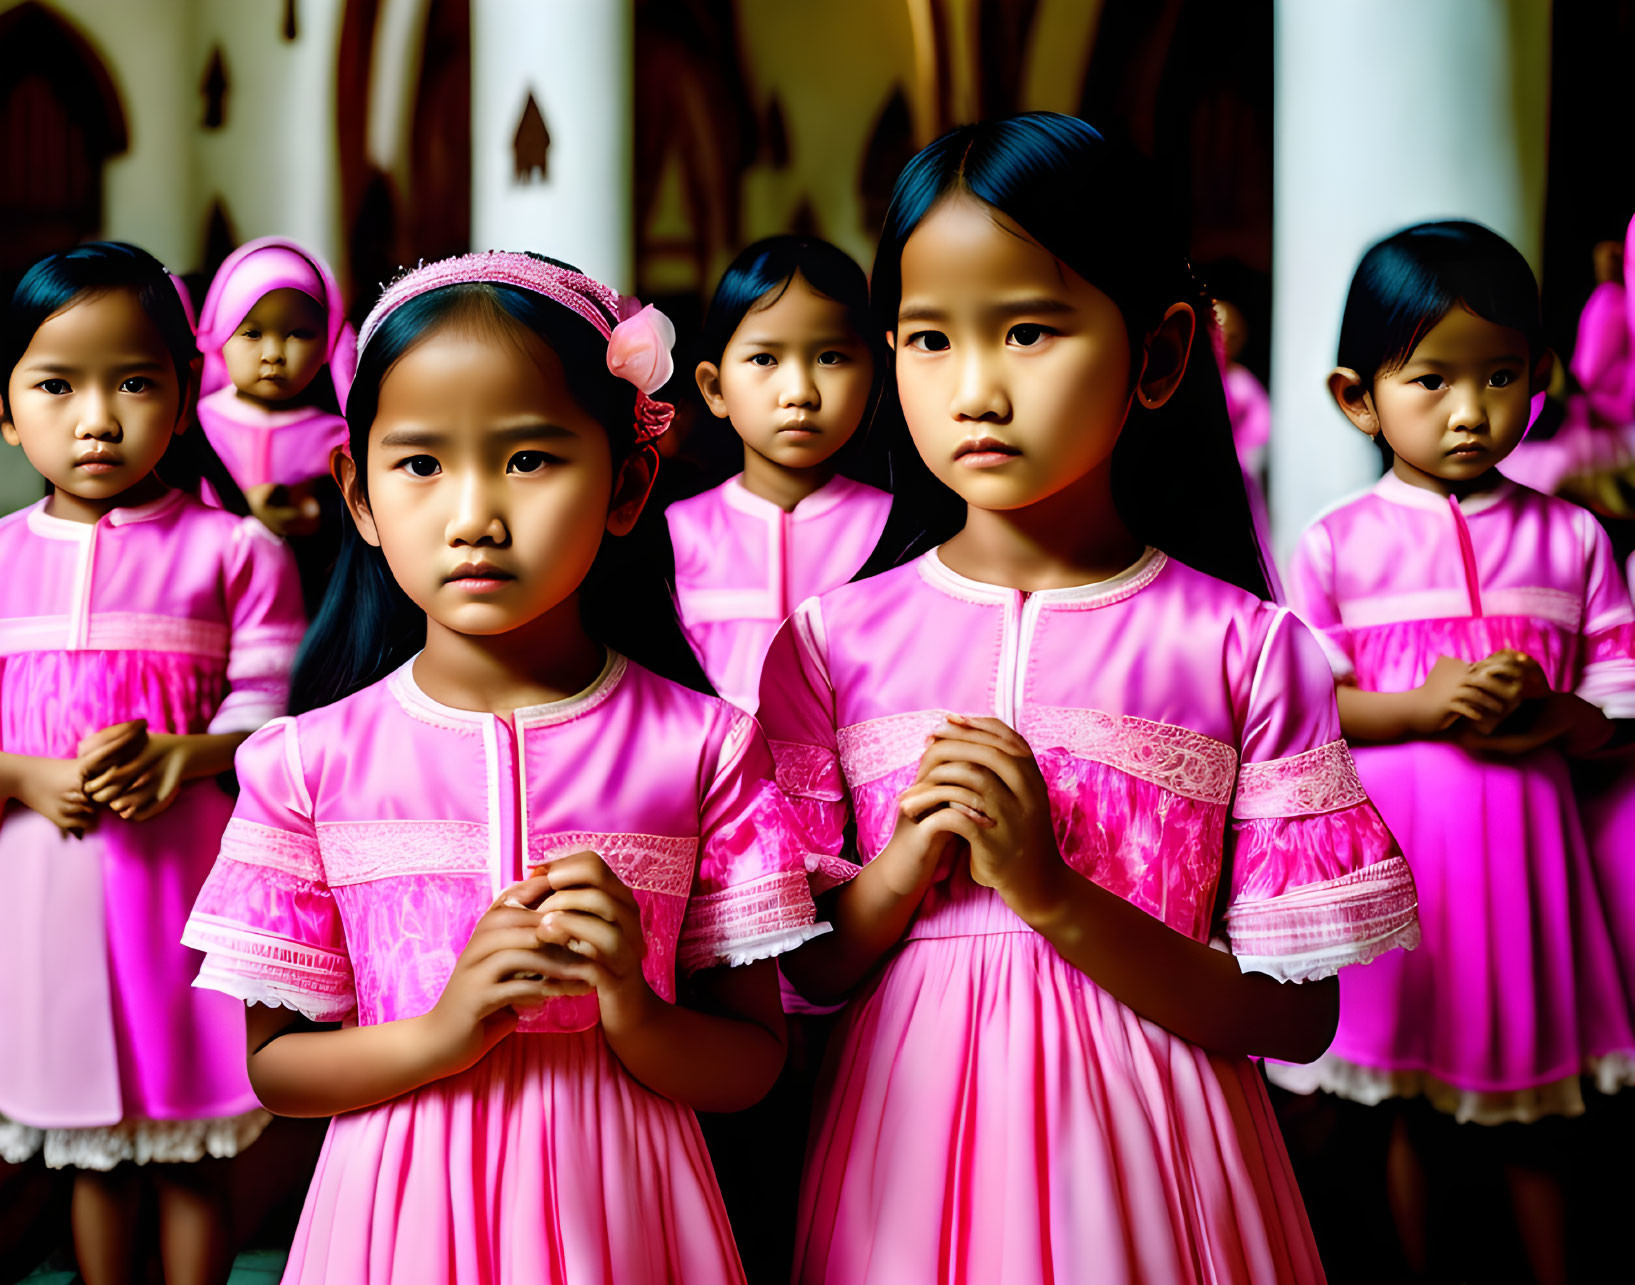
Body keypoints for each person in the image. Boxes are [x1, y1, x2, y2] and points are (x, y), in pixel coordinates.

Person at [759, 113, 1418, 1285]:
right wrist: (904, 873)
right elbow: (805, 972)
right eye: (926, 338)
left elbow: (1295, 1017)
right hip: (901, 1165)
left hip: (1161, 1165)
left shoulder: (1243, 649)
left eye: (1026, 330)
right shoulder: (829, 646)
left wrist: (1051, 891)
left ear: (1159, 356)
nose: (973, 388)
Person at [182, 251, 826, 1283]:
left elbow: (753, 1061)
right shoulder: (304, 762)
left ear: (627, 482)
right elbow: (277, 1069)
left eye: (529, 459)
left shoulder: (704, 748)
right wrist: (440, 1032)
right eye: (421, 463)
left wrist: (635, 1004)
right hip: (394, 1223)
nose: (473, 514)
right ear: (358, 493)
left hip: (626, 1209)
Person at [1276, 221, 1635, 1285]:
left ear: (1542, 379)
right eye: (1430, 380)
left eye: (1499, 377)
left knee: (1534, 1110)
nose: (1470, 412)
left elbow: (1615, 703)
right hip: (1396, 858)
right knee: (1392, 1101)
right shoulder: (1338, 542)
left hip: (1529, 866)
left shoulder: (1571, 538)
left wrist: (1553, 711)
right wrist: (1423, 707)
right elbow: (1311, 708)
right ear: (1359, 396)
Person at [0, 241, 303, 1285]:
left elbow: (273, 714)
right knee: (88, 1148)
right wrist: (24, 777)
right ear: (4, 409)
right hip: (40, 886)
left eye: (134, 382)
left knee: (187, 1147)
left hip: (188, 884)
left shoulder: (235, 553)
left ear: (184, 402)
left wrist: (192, 752)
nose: (96, 416)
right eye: (56, 384)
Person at [666, 236, 890, 712]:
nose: (799, 392)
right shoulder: (676, 532)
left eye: (830, 358)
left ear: (874, 378)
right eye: (765, 359)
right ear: (714, 388)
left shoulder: (899, 531)